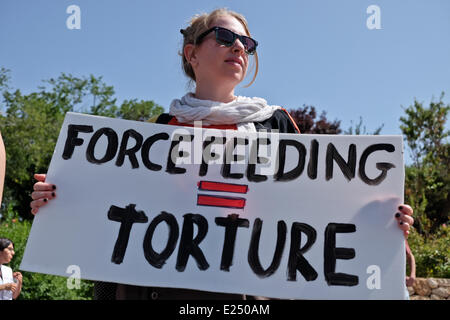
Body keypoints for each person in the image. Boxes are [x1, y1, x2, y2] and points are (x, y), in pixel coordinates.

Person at [29, 8, 414, 300]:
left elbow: (319, 208)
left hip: (252, 297)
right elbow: (111, 213)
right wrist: (60, 199)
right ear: (191, 53)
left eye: (246, 43)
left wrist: (380, 223)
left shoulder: (276, 125)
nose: (238, 47)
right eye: (225, 36)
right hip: (169, 294)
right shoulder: (156, 134)